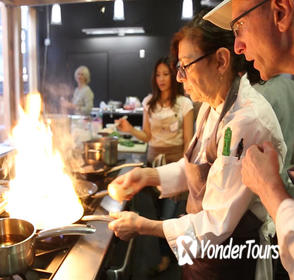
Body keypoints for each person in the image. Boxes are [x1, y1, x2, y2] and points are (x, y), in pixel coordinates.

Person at [106, 10, 286, 279]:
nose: (179, 78)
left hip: (231, 255)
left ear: (221, 61)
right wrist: (148, 176)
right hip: (201, 243)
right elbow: (200, 167)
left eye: (185, 67)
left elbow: (216, 224)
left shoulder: (245, 121)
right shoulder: (212, 105)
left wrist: (145, 226)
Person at [204, 1, 294, 277]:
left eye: (239, 27)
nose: (237, 47)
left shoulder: (252, 109)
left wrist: (270, 188)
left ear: (280, 12)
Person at [115, 56, 194, 274]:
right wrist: (129, 129)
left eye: (166, 74)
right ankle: (162, 256)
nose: (161, 79)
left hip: (174, 166)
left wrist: (184, 177)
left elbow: (189, 142)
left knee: (170, 216)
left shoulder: (184, 103)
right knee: (154, 215)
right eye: (158, 74)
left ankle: (171, 261)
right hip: (152, 166)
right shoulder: (149, 102)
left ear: (174, 76)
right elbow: (147, 136)